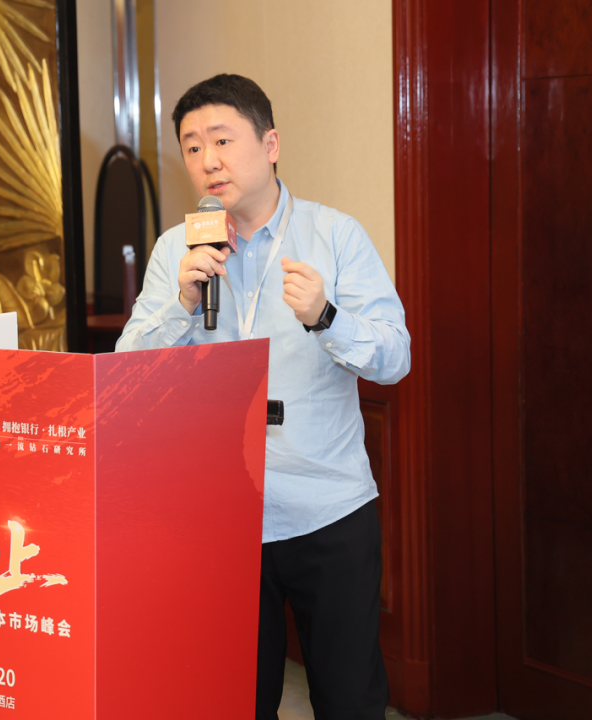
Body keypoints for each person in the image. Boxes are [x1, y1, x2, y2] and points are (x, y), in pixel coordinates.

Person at [116, 73, 410, 720]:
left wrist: (327, 317)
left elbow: (395, 358)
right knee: (234, 702)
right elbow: (128, 375)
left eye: (222, 140)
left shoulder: (335, 236)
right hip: (218, 519)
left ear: (270, 144)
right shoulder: (176, 250)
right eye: (192, 146)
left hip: (326, 508)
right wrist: (182, 303)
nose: (208, 160)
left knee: (350, 699)